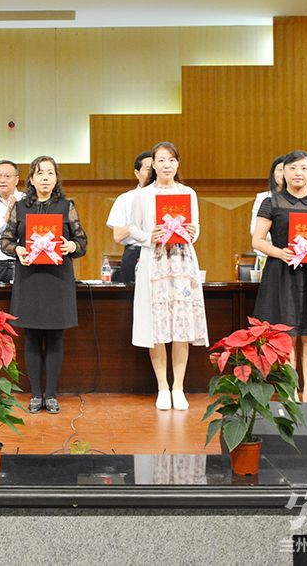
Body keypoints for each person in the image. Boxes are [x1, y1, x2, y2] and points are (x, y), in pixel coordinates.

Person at [0, 156, 87, 414]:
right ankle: (36, 395)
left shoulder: (66, 206)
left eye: (50, 172)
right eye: (40, 173)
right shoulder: (20, 207)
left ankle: (51, 395)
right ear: (31, 179)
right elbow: (5, 241)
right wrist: (17, 249)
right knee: (32, 337)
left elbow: (82, 242)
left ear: (56, 178)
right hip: (29, 278)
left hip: (58, 279)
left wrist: (71, 245)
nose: (45, 177)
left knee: (55, 337)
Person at [252, 150, 307, 403]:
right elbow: (257, 241)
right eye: (292, 168)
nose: (298, 173)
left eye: (303, 168)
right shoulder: (272, 203)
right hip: (283, 273)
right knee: (287, 336)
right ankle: (290, 391)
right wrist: (280, 253)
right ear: (283, 172)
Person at [127, 141, 209, 411]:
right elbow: (132, 229)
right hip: (155, 262)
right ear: (153, 164)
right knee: (158, 327)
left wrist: (190, 232)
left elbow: (196, 227)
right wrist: (149, 236)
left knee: (181, 326)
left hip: (182, 262)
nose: (166, 165)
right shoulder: (143, 195)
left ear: (177, 164)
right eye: (161, 160)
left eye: (171, 160)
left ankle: (178, 387)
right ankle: (163, 386)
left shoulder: (188, 193)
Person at [106, 151, 153, 283]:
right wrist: (139, 220)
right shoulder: (125, 199)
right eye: (148, 169)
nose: (153, 173)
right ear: (137, 173)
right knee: (131, 295)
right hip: (134, 254)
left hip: (161, 253)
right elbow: (118, 235)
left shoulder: (167, 197)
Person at [250, 156, 285, 260]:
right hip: (266, 255)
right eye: (280, 170)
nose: (283, 174)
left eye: (287, 169)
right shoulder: (264, 198)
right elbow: (254, 230)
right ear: (273, 174)